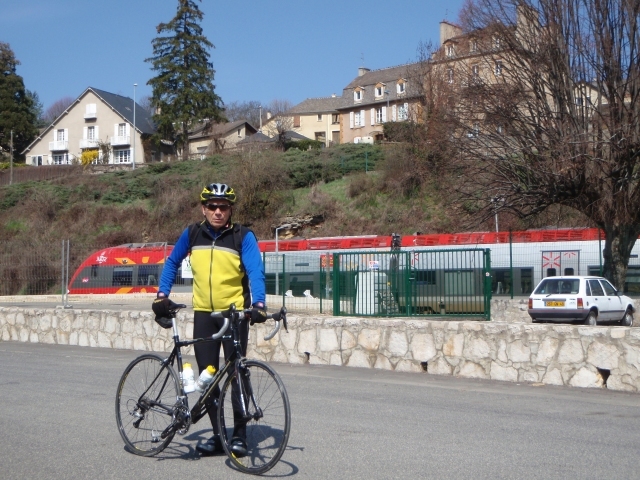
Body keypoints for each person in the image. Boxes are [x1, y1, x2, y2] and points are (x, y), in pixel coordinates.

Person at [152, 183, 267, 457]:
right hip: (204, 314)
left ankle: (239, 435)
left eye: (223, 207)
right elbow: (171, 263)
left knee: (237, 374)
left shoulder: (243, 236)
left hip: (234, 314)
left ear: (230, 210)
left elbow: (255, 271)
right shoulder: (192, 233)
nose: (218, 212)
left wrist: (259, 303)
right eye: (212, 207)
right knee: (208, 378)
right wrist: (161, 294)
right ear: (204, 209)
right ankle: (218, 436)